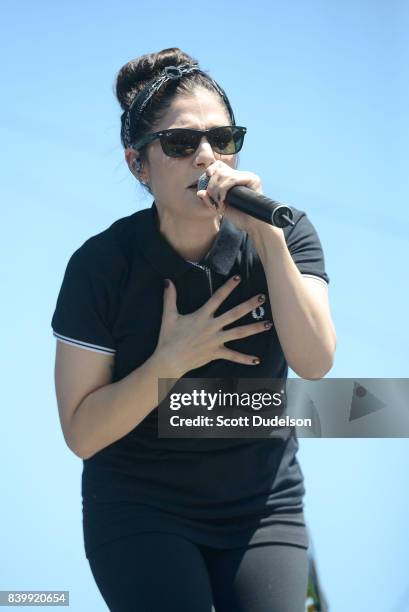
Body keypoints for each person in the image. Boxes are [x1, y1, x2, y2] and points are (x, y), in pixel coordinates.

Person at [51, 47, 336, 612]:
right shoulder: (103, 266)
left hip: (262, 504)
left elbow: (315, 362)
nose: (206, 156)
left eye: (223, 139)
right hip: (140, 508)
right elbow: (82, 433)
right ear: (139, 164)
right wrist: (169, 359)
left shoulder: (283, 230)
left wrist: (266, 237)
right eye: (181, 144)